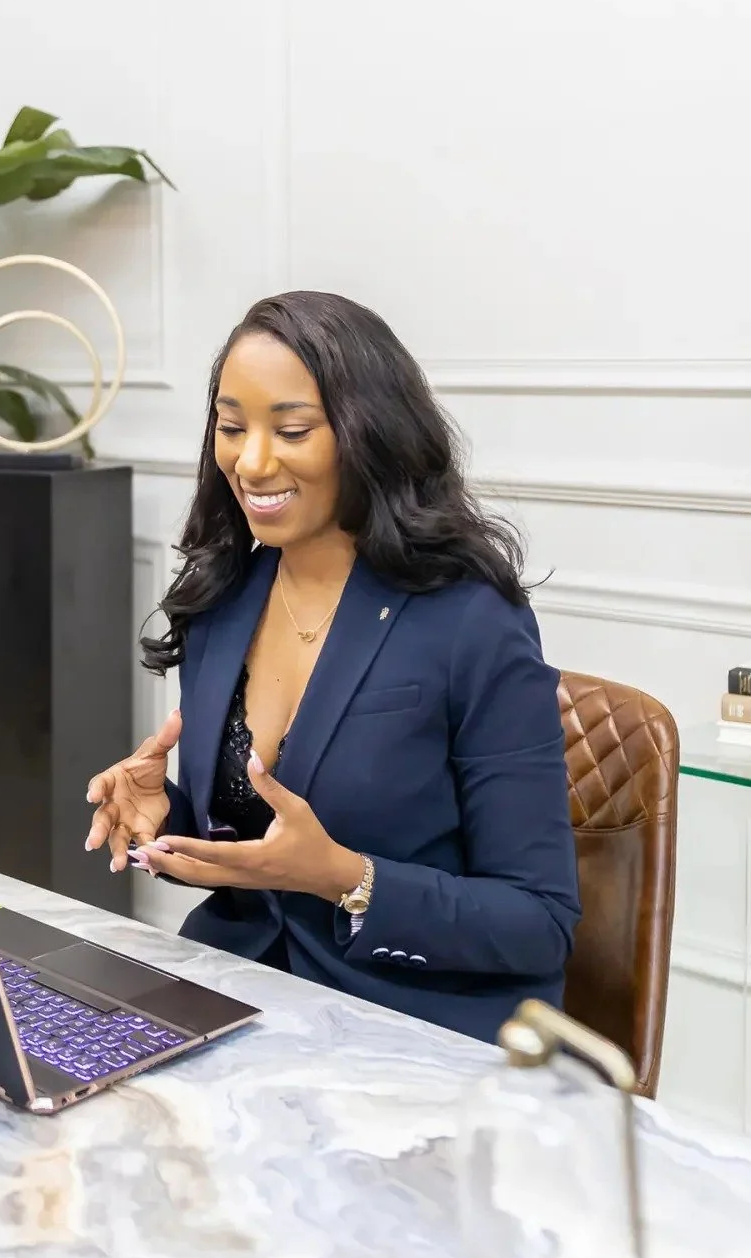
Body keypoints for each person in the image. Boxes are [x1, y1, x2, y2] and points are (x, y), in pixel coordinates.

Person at [84, 291, 581, 1045]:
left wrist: (347, 877)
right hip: (240, 1001)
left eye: (291, 430)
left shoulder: (472, 622)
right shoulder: (224, 599)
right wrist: (170, 819)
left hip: (408, 1032)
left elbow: (539, 923)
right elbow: (259, 855)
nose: (250, 460)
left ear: (368, 433)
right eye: (230, 427)